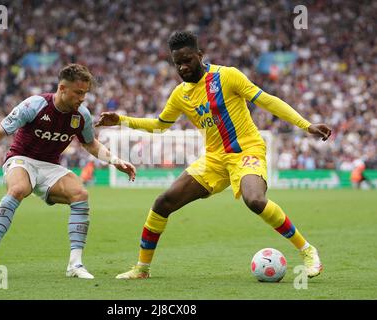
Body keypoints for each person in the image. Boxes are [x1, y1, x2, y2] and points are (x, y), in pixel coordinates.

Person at [96, 31, 332, 280]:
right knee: (163, 202)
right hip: (214, 159)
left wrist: (306, 125)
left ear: (200, 55)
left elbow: (267, 101)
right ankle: (141, 269)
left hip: (246, 151)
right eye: (177, 63)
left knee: (255, 200)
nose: (183, 67)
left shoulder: (227, 76)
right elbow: (160, 125)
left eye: (187, 60)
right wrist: (121, 120)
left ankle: (307, 251)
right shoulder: (180, 94)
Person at [0, 63, 136, 279]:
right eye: (78, 93)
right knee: (19, 188)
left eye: (85, 93)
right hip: (21, 159)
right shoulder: (35, 104)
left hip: (50, 166)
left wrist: (115, 161)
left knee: (81, 194)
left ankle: (75, 265)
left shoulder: (82, 116)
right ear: (62, 88)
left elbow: (90, 144)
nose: (82, 98)